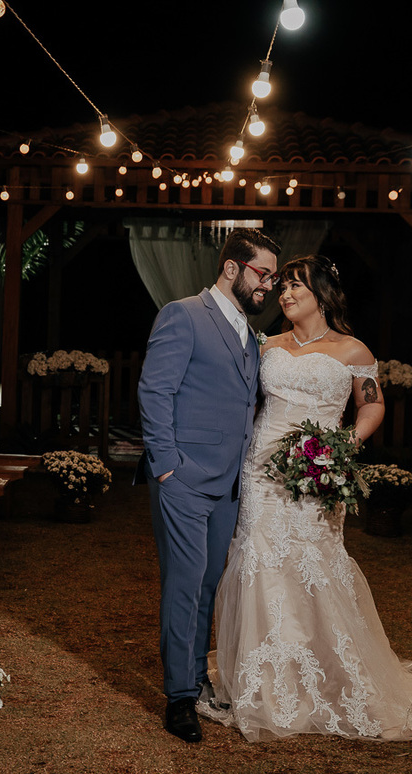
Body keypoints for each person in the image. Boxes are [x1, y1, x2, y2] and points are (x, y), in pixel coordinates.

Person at [198, 254, 412, 741]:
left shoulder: (351, 350)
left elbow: (373, 404)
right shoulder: (267, 345)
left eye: (296, 287)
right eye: (282, 288)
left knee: (314, 563)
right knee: (258, 561)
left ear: (322, 294)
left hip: (318, 471)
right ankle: (263, 681)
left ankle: (325, 674)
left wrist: (341, 446)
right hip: (261, 471)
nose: (284, 295)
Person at [137, 227, 282, 743]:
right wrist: (168, 466)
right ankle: (179, 698)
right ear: (231, 268)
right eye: (263, 274)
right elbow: (155, 391)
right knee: (184, 581)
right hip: (184, 479)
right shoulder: (183, 314)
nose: (269, 286)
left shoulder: (247, 331)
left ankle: (197, 678)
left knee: (207, 585)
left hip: (229, 484)